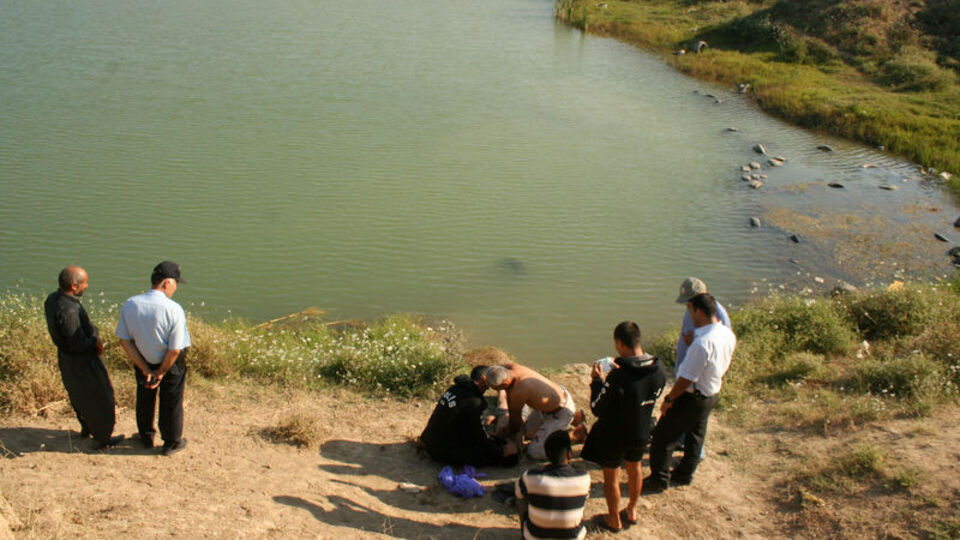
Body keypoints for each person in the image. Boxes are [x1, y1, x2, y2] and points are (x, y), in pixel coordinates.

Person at [646, 293, 736, 493]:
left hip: (692, 397)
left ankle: (658, 480)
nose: (689, 315)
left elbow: (686, 379)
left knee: (663, 437)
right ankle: (685, 474)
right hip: (711, 393)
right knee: (696, 436)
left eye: (690, 310)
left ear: (699, 311)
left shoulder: (702, 344)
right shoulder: (726, 334)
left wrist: (669, 399)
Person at [581, 321, 666, 531]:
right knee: (635, 468)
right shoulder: (659, 369)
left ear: (620, 342)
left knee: (612, 476)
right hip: (641, 430)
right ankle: (632, 509)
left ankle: (613, 520)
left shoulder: (619, 376)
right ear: (638, 340)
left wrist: (597, 381)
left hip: (615, 434)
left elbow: (597, 408)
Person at [116, 261, 191, 456]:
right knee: (171, 401)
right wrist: (161, 372)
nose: (176, 288)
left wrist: (145, 368)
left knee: (144, 398)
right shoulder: (173, 309)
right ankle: (171, 442)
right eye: (176, 283)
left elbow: (124, 340)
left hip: (143, 358)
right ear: (167, 283)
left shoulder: (131, 304)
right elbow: (175, 349)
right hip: (170, 364)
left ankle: (145, 436)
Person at [43, 266, 122, 450]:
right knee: (101, 396)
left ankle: (86, 427)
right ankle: (102, 437)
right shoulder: (69, 311)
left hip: (66, 358)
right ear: (73, 286)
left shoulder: (52, 300)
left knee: (78, 395)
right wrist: (95, 339)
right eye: (85, 282)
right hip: (81, 361)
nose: (87, 285)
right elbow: (77, 343)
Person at [673, 277, 731, 457]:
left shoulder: (718, 314)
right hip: (686, 366)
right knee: (687, 419)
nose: (687, 307)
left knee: (695, 420)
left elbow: (716, 345)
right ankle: (683, 442)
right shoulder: (692, 309)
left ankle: (695, 453)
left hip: (696, 379)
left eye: (689, 303)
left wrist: (693, 344)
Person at [419, 365, 518, 467]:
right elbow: (479, 437)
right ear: (484, 379)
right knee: (506, 457)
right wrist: (500, 451)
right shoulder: (473, 401)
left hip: (429, 440)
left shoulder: (455, 389)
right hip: (441, 452)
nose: (489, 387)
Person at [485, 363, 577, 460]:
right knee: (528, 433)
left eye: (497, 388)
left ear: (505, 384)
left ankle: (574, 435)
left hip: (561, 411)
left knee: (535, 453)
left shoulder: (519, 392)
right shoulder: (512, 367)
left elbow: (516, 424)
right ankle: (575, 419)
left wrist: (506, 432)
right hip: (547, 404)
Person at [515, 430, 590, 540]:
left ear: (547, 454)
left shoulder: (530, 476)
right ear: (569, 454)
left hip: (534, 537)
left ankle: (529, 530)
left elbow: (519, 496)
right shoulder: (584, 477)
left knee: (522, 495)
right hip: (572, 537)